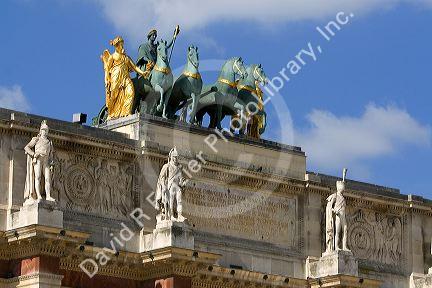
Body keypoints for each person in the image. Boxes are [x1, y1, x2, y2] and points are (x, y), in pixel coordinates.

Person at [101, 36, 148, 120]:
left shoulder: (126, 57)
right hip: (116, 77)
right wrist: (107, 80)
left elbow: (134, 67)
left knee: (131, 92)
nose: (122, 47)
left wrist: (143, 73)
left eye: (122, 45)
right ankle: (110, 113)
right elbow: (107, 69)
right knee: (114, 96)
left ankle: (127, 112)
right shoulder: (112, 57)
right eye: (120, 45)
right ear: (116, 46)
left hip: (126, 77)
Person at [24, 120, 55, 203]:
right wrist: (33, 154)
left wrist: (52, 163)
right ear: (40, 131)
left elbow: (51, 154)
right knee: (37, 177)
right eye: (43, 130)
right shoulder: (36, 139)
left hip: (46, 160)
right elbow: (27, 147)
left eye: (46, 130)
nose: (44, 132)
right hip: (38, 159)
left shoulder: (49, 142)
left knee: (48, 178)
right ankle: (38, 195)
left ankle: (48, 196)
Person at [155, 147, 187, 222]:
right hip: (170, 186)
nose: (176, 158)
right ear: (171, 157)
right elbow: (162, 178)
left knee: (179, 200)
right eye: (174, 157)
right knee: (171, 201)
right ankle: (171, 215)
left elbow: (181, 179)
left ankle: (179, 215)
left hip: (177, 186)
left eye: (177, 157)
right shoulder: (167, 166)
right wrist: (164, 186)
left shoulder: (179, 168)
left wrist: (183, 183)